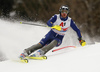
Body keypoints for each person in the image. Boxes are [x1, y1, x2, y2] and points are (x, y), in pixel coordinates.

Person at [20, 5, 86, 59]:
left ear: (68, 12)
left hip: (59, 38)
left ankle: (41, 52)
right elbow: (48, 22)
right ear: (60, 11)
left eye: (66, 12)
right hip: (51, 34)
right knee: (40, 44)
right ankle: (25, 52)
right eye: (63, 11)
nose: (64, 13)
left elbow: (77, 30)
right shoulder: (56, 17)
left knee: (54, 42)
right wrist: (53, 25)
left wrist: (80, 39)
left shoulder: (69, 21)